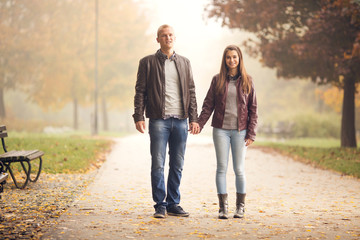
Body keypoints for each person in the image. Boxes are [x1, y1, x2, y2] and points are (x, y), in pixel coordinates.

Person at [132, 24, 200, 219]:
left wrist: (194, 118)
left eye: (170, 35)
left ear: (174, 38)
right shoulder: (147, 62)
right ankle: (160, 205)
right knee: (158, 164)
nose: (167, 38)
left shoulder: (185, 63)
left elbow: (192, 92)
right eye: (163, 35)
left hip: (180, 121)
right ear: (158, 39)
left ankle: (173, 203)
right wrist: (138, 116)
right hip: (158, 120)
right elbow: (140, 91)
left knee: (177, 164)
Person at [197, 45, 257, 219]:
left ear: (239, 59)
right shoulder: (217, 80)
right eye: (228, 57)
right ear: (224, 60)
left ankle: (240, 207)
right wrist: (200, 124)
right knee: (221, 168)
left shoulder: (248, 80)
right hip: (221, 130)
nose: (232, 60)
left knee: (239, 169)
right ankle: (223, 208)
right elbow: (208, 105)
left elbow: (253, 108)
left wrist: (251, 133)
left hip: (240, 131)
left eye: (235, 57)